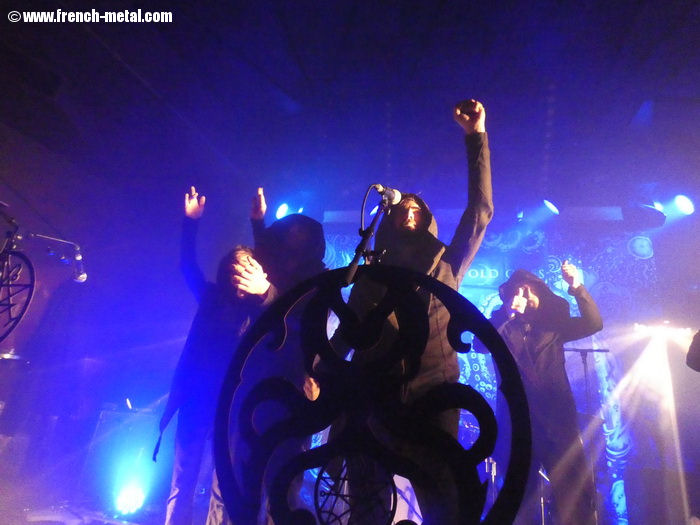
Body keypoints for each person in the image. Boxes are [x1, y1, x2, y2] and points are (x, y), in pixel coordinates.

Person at [331, 98, 493, 524]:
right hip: (375, 391)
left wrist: (476, 138)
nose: (410, 211)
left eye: (418, 209)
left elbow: (480, 212)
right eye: (404, 208)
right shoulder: (372, 271)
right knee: (366, 502)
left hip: (433, 391)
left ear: (429, 221)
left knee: (442, 498)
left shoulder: (447, 262)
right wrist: (320, 367)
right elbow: (349, 328)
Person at [205, 187, 326, 525]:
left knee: (281, 491)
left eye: (300, 234)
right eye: (289, 233)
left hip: (290, 395)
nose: (292, 240)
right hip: (248, 390)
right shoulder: (268, 267)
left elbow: (303, 325)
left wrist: (267, 294)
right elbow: (267, 254)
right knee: (229, 483)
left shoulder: (319, 283)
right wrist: (257, 222)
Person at [161, 186, 275, 525]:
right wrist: (191, 221)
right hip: (197, 401)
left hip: (233, 407)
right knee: (183, 480)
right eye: (237, 267)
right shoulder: (211, 298)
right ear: (226, 272)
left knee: (224, 486)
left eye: (248, 267)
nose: (242, 271)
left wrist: (259, 223)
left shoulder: (260, 311)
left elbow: (269, 268)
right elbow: (187, 264)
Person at [490, 261, 603, 525]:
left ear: (541, 293)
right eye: (518, 290)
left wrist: (577, 287)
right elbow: (480, 344)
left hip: (557, 424)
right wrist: (507, 314)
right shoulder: (501, 323)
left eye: (530, 289)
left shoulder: (554, 325)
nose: (524, 295)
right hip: (517, 426)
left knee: (574, 499)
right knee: (520, 503)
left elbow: (594, 323)